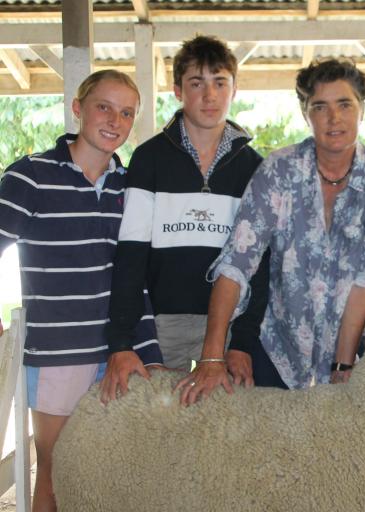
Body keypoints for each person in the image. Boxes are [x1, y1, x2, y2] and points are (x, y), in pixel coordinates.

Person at [176, 58, 365, 403]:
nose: (334, 118)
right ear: (305, 114)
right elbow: (237, 263)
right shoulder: (278, 171)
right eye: (320, 106)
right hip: (274, 347)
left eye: (345, 104)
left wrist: (343, 364)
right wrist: (212, 357)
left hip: (348, 348)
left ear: (362, 110)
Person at [0, 69, 161, 512]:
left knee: (116, 474)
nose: (115, 120)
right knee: (55, 471)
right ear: (78, 109)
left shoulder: (131, 188)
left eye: (126, 112)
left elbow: (138, 276)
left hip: (120, 351)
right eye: (103, 107)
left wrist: (148, 351)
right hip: (58, 353)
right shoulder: (30, 176)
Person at [101, 35, 268, 402]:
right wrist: (122, 341)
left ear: (234, 89)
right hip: (163, 325)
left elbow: (261, 265)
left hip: (227, 327)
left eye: (220, 82)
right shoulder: (149, 159)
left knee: (226, 436)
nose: (209, 95)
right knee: (159, 431)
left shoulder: (256, 168)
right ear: (177, 90)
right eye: (196, 83)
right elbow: (130, 255)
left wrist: (243, 341)